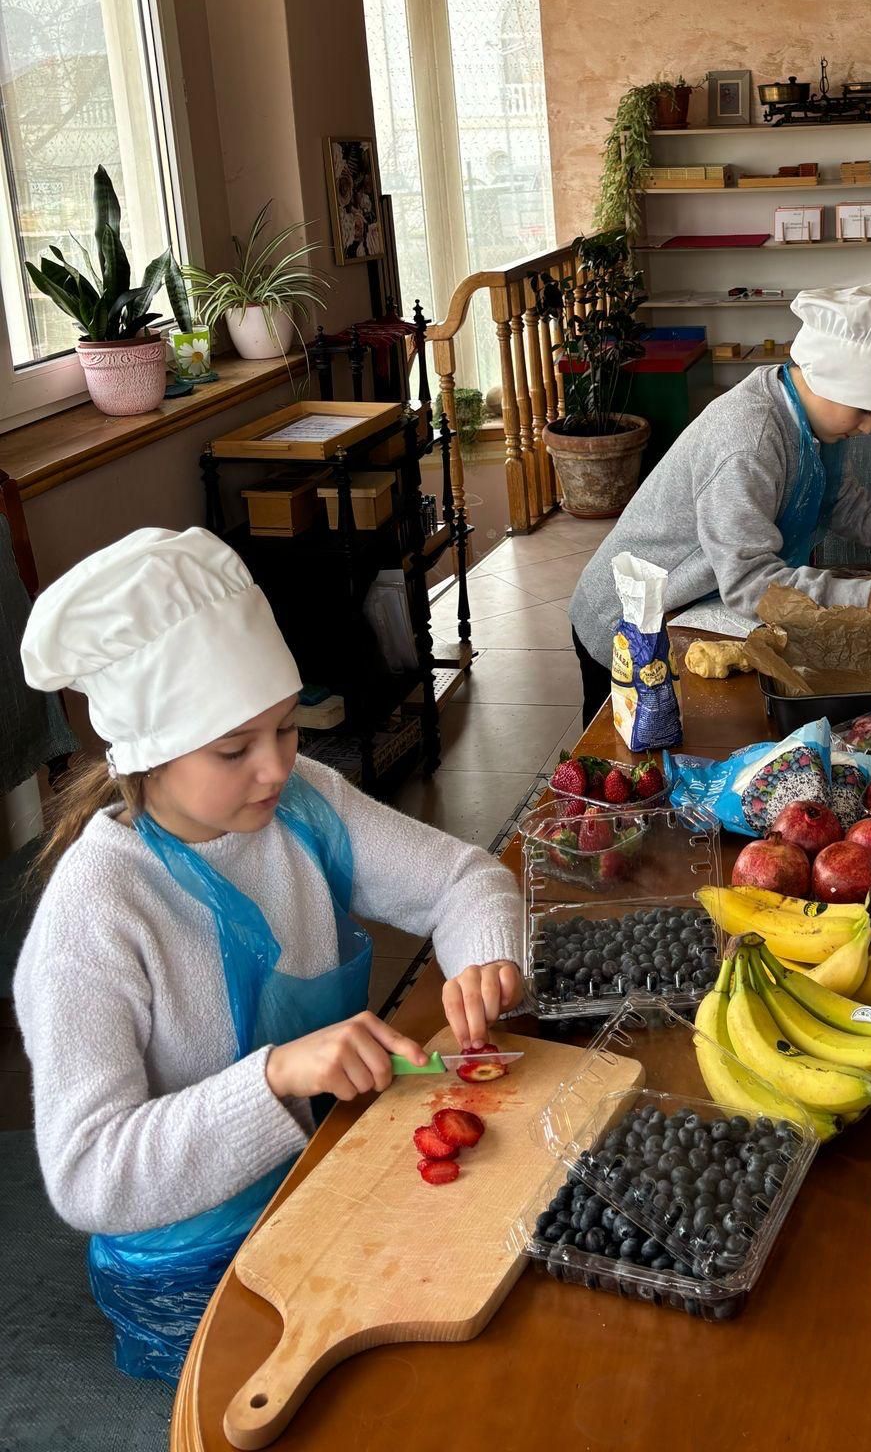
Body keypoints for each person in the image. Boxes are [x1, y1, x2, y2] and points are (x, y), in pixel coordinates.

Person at [13, 528, 523, 1383]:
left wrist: (483, 961)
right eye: (233, 750)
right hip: (197, 1258)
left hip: (328, 1177)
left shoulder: (304, 807)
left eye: (287, 729)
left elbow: (465, 880)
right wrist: (277, 1076)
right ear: (147, 756)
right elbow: (87, 1173)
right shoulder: (96, 915)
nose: (276, 768)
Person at [569, 284, 871, 724]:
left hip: (701, 599)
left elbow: (837, 501)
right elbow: (748, 583)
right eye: (864, 411)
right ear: (824, 380)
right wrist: (870, 597)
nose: (869, 429)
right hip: (631, 619)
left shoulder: (811, 417)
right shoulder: (749, 441)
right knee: (631, 756)